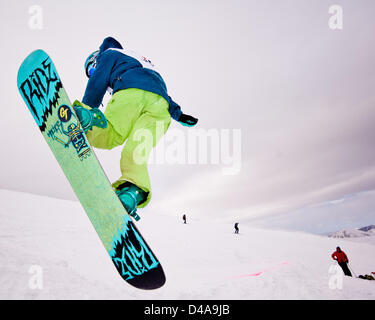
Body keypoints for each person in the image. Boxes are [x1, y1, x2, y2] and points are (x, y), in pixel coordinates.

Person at [74, 37, 198, 220]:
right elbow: (161, 91)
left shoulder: (108, 54)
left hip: (129, 93)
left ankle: (88, 122)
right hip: (160, 107)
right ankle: (132, 192)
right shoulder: (140, 61)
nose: (93, 73)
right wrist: (178, 114)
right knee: (137, 150)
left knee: (110, 135)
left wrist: (85, 110)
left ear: (96, 59)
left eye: (91, 69)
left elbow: (98, 82)